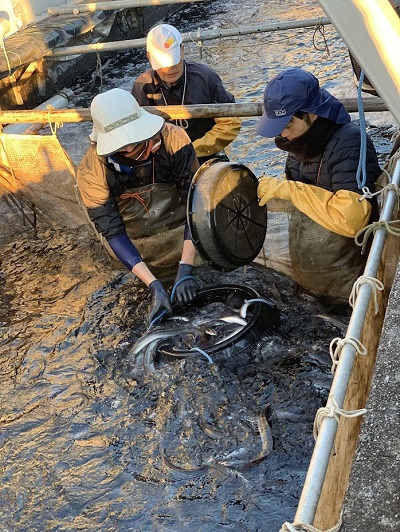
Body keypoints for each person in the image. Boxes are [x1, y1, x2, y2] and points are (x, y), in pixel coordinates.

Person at [255, 68, 381, 305]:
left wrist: (288, 190)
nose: (282, 133)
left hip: (345, 277)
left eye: (288, 123)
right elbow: (301, 201)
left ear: (312, 114)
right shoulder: (296, 144)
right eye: (278, 125)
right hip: (309, 270)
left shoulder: (350, 142)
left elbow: (351, 219)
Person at [77, 88, 201, 325]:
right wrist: (153, 285)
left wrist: (186, 268)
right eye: (122, 149)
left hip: (183, 232)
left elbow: (195, 204)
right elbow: (112, 230)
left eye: (137, 143)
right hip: (134, 247)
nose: (132, 151)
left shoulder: (174, 140)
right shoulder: (91, 172)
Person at [131, 23, 241, 165]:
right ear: (149, 57)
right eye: (163, 65)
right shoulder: (143, 87)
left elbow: (230, 122)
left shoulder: (205, 78)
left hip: (205, 155)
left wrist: (192, 150)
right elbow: (137, 133)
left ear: (182, 51)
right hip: (162, 160)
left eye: (174, 62)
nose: (169, 69)